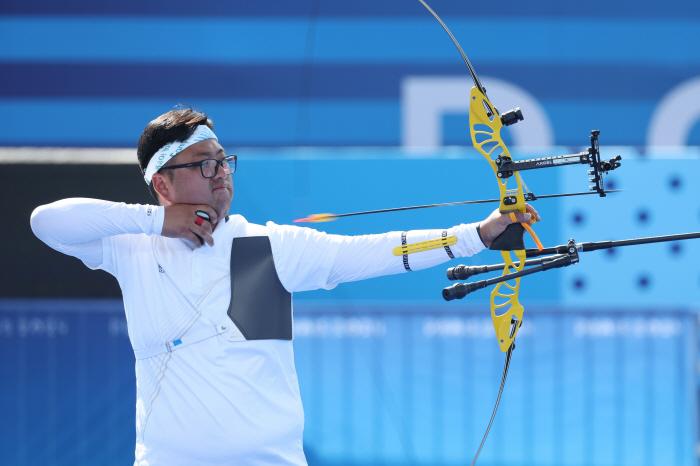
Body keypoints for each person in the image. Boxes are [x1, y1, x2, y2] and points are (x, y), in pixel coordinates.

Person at [30, 107, 540, 466]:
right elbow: (45, 222)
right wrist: (156, 221)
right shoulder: (132, 248)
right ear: (162, 184)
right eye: (203, 163)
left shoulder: (264, 245)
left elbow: (369, 252)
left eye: (224, 160)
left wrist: (476, 235)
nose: (221, 174)